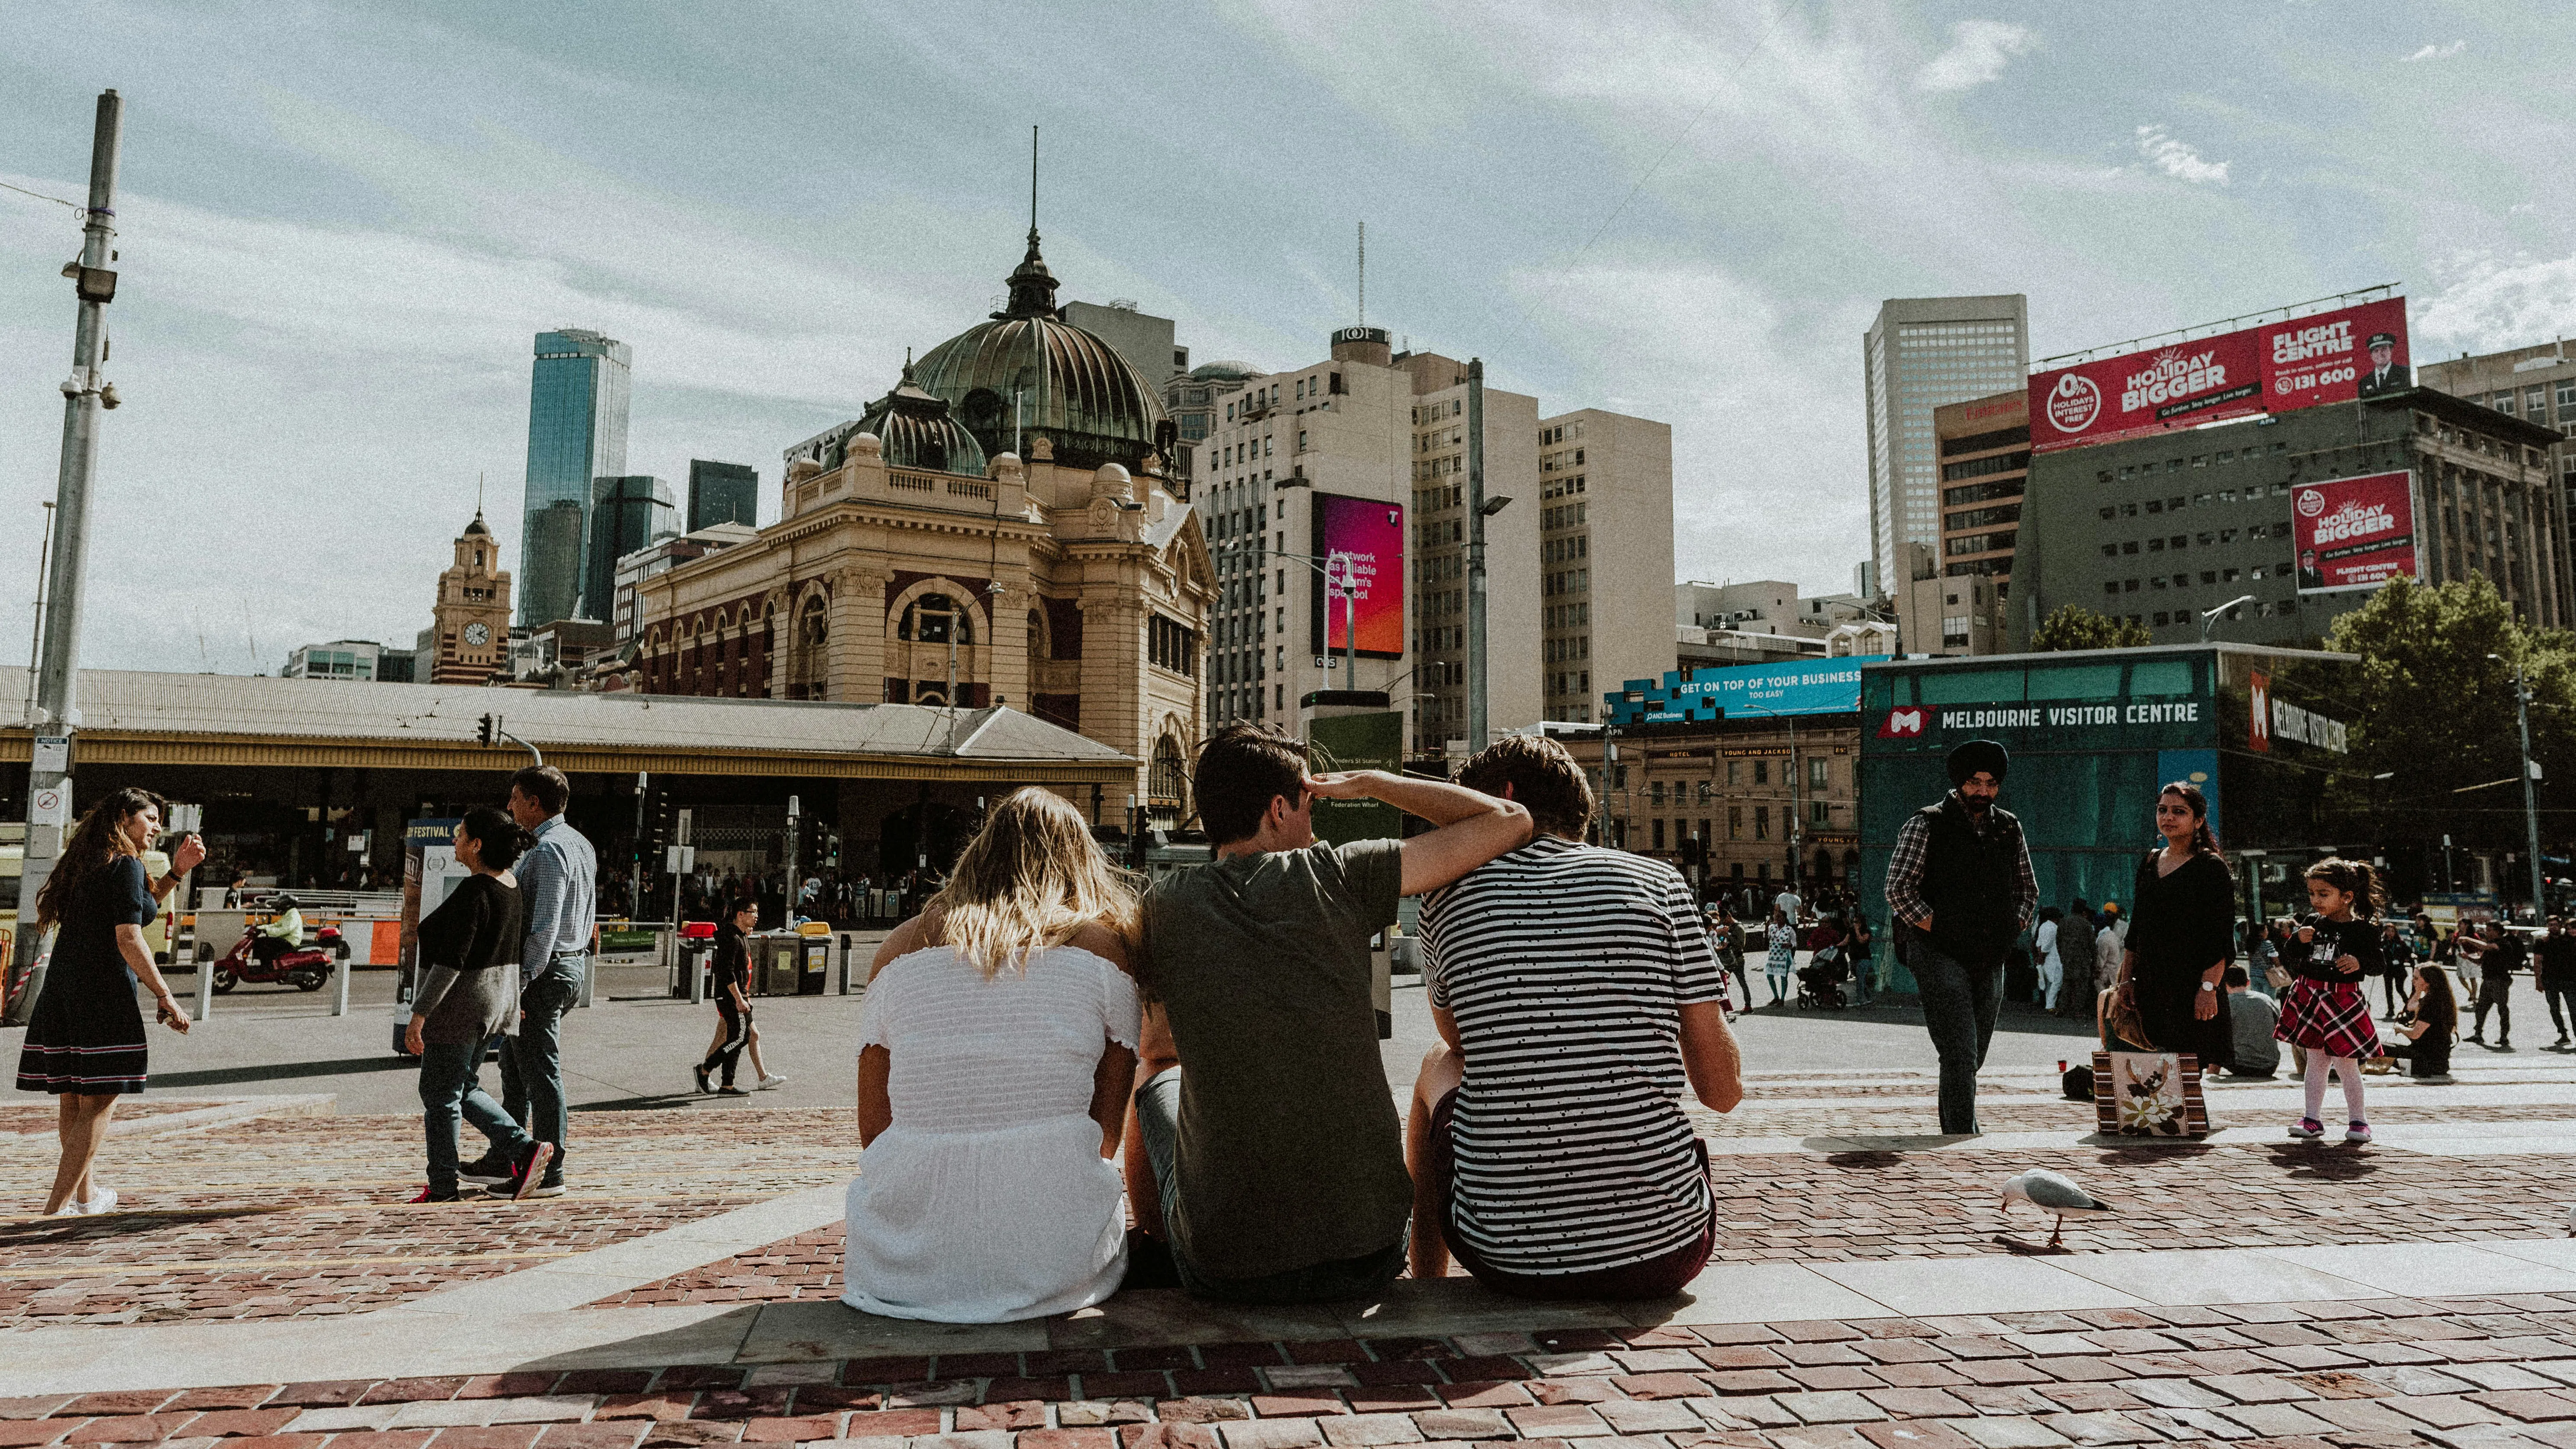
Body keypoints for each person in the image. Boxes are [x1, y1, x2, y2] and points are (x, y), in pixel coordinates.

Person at [1128, 724, 1530, 1304]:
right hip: (1368, 1253)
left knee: (1157, 1073)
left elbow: (1154, 1044)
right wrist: (1376, 784)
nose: (1315, 823)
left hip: (1226, 1268)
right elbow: (1510, 820)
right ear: (1277, 809)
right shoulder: (1341, 875)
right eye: (1310, 805)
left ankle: (1158, 1248)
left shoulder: (1164, 906)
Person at [1408, 734, 1742, 1299]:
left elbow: (1459, 1038)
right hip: (1666, 1251)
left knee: (1435, 1062)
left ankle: (1426, 1284)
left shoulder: (1444, 896)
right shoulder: (1660, 884)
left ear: (1504, 799)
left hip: (1503, 1255)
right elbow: (1723, 1091)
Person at [846, 788, 1141, 1323]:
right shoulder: (1102, 951)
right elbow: (1106, 1139)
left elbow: (874, 1129)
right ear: (1081, 863)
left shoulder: (898, 948)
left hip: (901, 1264)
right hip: (1054, 1260)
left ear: (978, 854)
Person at [15, 790, 199, 1216]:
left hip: (63, 987)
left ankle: (85, 1198)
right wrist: (166, 995)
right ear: (124, 817)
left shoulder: (86, 863)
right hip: (102, 994)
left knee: (74, 1098)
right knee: (99, 1102)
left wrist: (176, 872)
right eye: (150, 818)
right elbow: (129, 935)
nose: (156, 827)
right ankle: (54, 1211)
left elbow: (142, 909)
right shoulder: (128, 865)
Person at [1883, 739, 2036, 1135]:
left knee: (1974, 1052)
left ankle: (1959, 1124)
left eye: (1990, 783)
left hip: (1990, 954)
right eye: (1974, 782)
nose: (1983, 791)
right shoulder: (1926, 822)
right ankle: (1962, 1135)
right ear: (1959, 783)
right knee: (1959, 1049)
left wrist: (2012, 928)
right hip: (1938, 952)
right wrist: (1941, 927)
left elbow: (2027, 890)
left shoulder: (2009, 826)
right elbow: (1898, 888)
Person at [405, 808, 553, 1203]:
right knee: (461, 1086)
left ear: (477, 845)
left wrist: (419, 1015)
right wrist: (512, 1002)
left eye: (460, 835)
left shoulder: (475, 891)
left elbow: (452, 960)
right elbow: (513, 951)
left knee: (439, 1094)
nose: (455, 841)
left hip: (460, 1006)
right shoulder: (510, 886)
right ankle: (522, 1148)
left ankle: (444, 1185)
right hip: (492, 1003)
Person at [478, 765, 594, 1199]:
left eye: (514, 798)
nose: (508, 806)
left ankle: (549, 1170)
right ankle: (507, 1154)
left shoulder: (547, 851)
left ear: (533, 803)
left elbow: (543, 927)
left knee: (540, 1071)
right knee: (514, 1063)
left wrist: (519, 986)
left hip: (543, 973)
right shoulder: (579, 844)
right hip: (569, 965)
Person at [2108, 783, 2236, 1071]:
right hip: (2153, 985)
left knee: (2188, 1073)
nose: (2169, 817)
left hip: (2194, 987)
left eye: (2180, 812)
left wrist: (2208, 988)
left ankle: (2192, 1119)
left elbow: (2221, 938)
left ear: (2199, 820)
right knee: (2158, 1074)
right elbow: (2136, 930)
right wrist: (2126, 980)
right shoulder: (2151, 860)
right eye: (2162, 810)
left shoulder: (2210, 867)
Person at [2275, 858, 2386, 1144]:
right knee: (2316, 1060)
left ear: (2347, 896)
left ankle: (2359, 1120)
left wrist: (2358, 961)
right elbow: (2290, 955)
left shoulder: (2363, 929)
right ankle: (2312, 1118)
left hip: (2342, 998)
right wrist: (2298, 939)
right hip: (2310, 993)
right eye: (2312, 893)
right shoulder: (2311, 922)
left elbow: (2378, 964)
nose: (2316, 900)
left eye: (2324, 894)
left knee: (2347, 1064)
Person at [695, 899, 759, 1096]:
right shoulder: (731, 937)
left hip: (739, 996)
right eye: (753, 912)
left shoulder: (742, 936)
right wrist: (739, 999)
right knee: (741, 1037)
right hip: (731, 997)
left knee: (739, 1036)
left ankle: (727, 1085)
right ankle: (705, 1069)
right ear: (740, 914)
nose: (756, 916)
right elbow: (725, 971)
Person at [2382, 962, 2459, 1080]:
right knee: (2385, 1048)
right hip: (2434, 1061)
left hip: (2426, 1063)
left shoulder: (2431, 1004)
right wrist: (2418, 991)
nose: (2413, 980)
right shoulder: (2437, 999)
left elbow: (2415, 1034)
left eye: (2417, 978)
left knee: (2379, 1047)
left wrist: (2400, 1029)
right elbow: (2410, 1007)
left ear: (2428, 982)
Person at [2462, 923, 2519, 1049]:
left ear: (2497, 931)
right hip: (2488, 980)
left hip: (2499, 981)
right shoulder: (2490, 945)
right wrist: (2468, 958)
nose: (2487, 933)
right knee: (2481, 1009)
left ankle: (2504, 1036)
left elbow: (2489, 947)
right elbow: (2480, 961)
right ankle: (2478, 1034)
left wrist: (2468, 939)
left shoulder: (2503, 944)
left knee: (2502, 1009)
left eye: (2489, 930)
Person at [2221, 965, 2280, 1079]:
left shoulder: (2226, 1003)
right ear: (2248, 982)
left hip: (2239, 1065)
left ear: (2225, 984)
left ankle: (2212, 1074)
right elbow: (2280, 1026)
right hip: (2270, 1065)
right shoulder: (2266, 999)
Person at [2056, 898, 2097, 1021]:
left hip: (2068, 959)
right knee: (2081, 987)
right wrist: (2094, 962)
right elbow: (2092, 945)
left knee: (2067, 983)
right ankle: (2078, 1011)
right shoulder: (2086, 924)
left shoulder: (2064, 922)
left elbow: (2058, 941)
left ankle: (2062, 1008)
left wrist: (2063, 956)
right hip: (2082, 960)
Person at [1709, 902, 1753, 1014]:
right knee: (1722, 984)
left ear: (1728, 917)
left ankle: (1748, 1005)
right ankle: (1723, 1008)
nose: (1723, 923)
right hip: (1727, 960)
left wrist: (1729, 936)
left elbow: (1741, 945)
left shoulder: (1739, 927)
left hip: (1738, 960)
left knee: (1742, 983)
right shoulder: (1725, 928)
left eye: (1724, 920)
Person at [2542, 917, 2576, 1051]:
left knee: (2574, 1011)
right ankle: (2563, 1034)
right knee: (2555, 1009)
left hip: (2570, 981)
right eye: (2569, 929)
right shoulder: (2563, 940)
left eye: (2574, 928)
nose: (2572, 931)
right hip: (2555, 980)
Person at [252, 895, 304, 967]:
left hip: (290, 943)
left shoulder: (293, 915)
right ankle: (265, 966)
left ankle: (267, 967)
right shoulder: (289, 913)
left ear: (287, 905)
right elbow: (277, 925)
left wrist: (267, 930)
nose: (279, 906)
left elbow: (283, 930)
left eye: (281, 904)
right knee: (261, 941)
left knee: (263, 943)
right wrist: (261, 927)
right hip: (286, 940)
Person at [2353, 330, 2408, 398]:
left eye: (2384, 349)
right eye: (2376, 351)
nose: (2380, 354)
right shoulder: (2364, 382)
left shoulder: (2405, 373)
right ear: (2371, 356)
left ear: (2391, 351)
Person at [1763, 907, 1796, 1006]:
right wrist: (1766, 928)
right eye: (1776, 917)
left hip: (1784, 957)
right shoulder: (1772, 928)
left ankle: (1782, 999)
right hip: (1773, 956)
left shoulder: (1789, 929)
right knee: (1770, 976)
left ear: (1784, 918)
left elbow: (1794, 942)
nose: (1777, 919)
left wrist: (1789, 945)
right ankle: (1776, 996)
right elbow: (1767, 938)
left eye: (1780, 917)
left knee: (1783, 977)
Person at [2033, 907, 2064, 1011]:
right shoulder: (2054, 928)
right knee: (2057, 982)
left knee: (2048, 984)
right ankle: (2050, 1005)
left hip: (2045, 960)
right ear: (2056, 918)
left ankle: (2049, 1003)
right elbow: (2047, 946)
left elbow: (2039, 943)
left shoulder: (2043, 926)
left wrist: (2039, 956)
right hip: (2053, 960)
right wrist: (2042, 956)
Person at [1846, 911, 1877, 1008]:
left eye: (1857, 922)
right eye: (1854, 922)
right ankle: (1869, 997)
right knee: (1861, 980)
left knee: (1860, 979)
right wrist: (1836, 946)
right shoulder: (1851, 931)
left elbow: (1862, 941)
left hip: (1864, 958)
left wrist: (1857, 931)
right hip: (1854, 958)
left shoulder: (1866, 932)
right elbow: (1846, 940)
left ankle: (1860, 1000)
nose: (1855, 924)